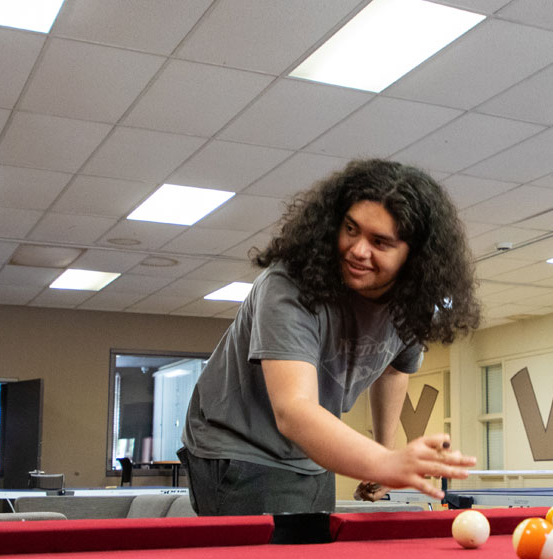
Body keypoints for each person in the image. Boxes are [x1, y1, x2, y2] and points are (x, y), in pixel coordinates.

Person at [179, 159, 482, 516]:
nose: (357, 249)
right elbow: (294, 409)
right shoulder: (289, 285)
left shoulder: (412, 302)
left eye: (380, 242)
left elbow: (395, 368)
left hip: (310, 451)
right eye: (351, 229)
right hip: (240, 447)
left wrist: (383, 452)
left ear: (413, 258)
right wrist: (384, 462)